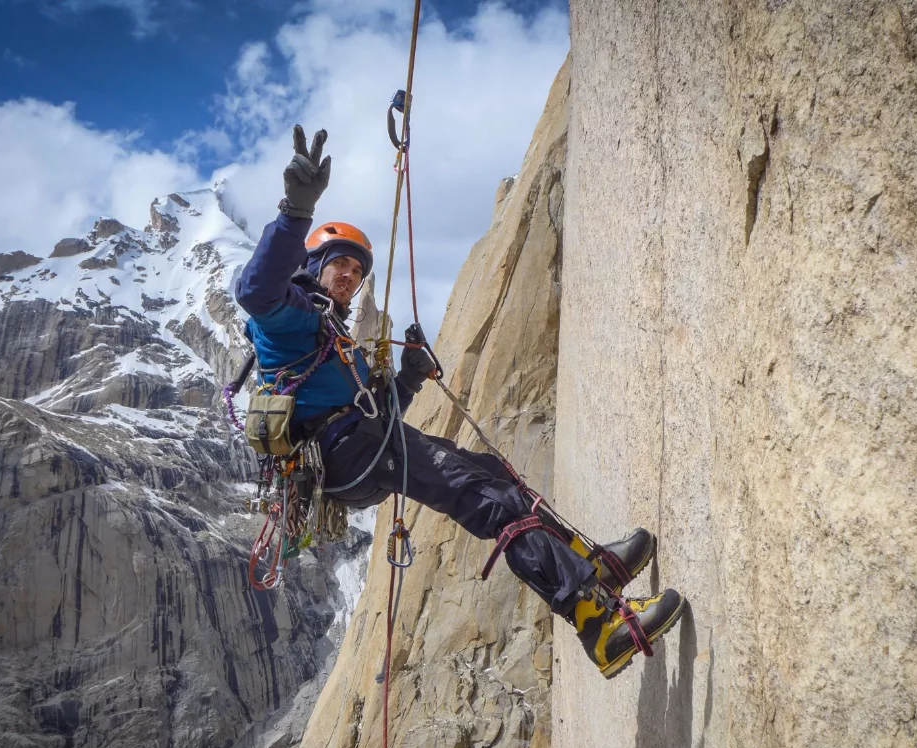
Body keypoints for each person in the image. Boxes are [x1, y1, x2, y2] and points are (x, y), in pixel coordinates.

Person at [234, 126, 688, 679]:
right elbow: (255, 291)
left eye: (357, 271)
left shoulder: (334, 336)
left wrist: (407, 379)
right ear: (314, 263)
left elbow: (378, 411)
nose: (350, 276)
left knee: (492, 475)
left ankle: (593, 565)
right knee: (484, 498)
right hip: (348, 455)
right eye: (340, 264)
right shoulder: (287, 320)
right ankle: (597, 622)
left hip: (364, 447)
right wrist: (294, 210)